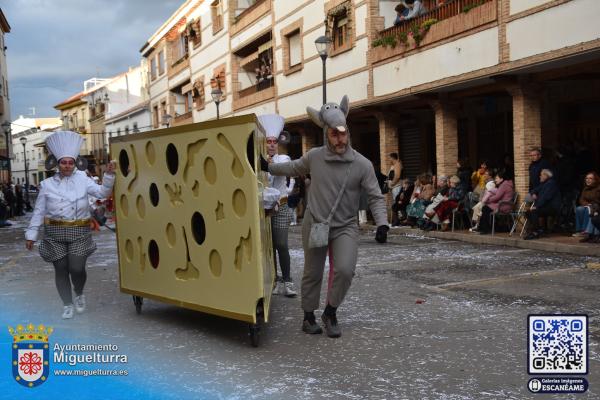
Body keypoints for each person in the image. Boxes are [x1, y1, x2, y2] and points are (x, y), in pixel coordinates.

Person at [262, 95, 388, 338]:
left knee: (345, 269)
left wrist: (382, 223)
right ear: (326, 134)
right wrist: (268, 167)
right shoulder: (315, 157)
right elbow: (293, 167)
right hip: (317, 222)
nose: (340, 139)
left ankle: (330, 312)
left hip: (345, 226)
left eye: (343, 134)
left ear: (348, 133)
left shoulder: (362, 164)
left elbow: (375, 196)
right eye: (334, 134)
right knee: (313, 271)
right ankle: (308, 316)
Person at [24, 131, 116, 319]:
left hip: (79, 231)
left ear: (75, 163)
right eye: (63, 162)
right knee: (61, 270)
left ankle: (79, 292)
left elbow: (102, 193)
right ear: (57, 164)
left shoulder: (83, 179)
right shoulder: (47, 184)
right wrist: (31, 235)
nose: (67, 165)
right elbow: (39, 212)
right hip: (54, 233)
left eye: (70, 162)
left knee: (76, 268)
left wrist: (108, 175)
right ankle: (67, 304)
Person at [258, 114, 297, 298]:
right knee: (269, 246)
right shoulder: (259, 159)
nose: (272, 144)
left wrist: (268, 165)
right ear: (264, 143)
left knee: (281, 243)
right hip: (264, 209)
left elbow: (284, 171)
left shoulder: (284, 159)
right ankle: (274, 280)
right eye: (268, 141)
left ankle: (288, 281)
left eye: (274, 141)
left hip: (281, 207)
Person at [524, 169, 561, 240]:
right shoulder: (544, 183)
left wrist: (536, 207)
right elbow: (534, 190)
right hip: (545, 206)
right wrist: (534, 193)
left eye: (541, 175)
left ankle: (535, 232)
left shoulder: (551, 184)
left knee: (534, 212)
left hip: (552, 207)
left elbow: (545, 198)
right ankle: (538, 229)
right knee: (528, 212)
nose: (539, 176)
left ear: (545, 176)